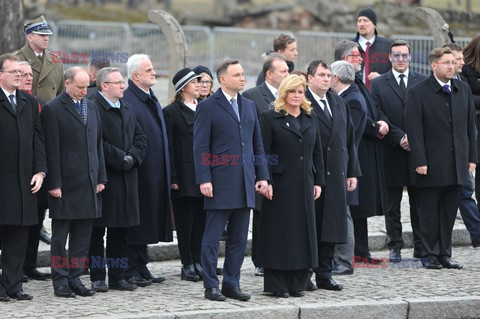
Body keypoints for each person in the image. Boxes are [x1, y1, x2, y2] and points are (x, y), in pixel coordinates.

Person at [193, 59, 269, 301]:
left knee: (238, 238)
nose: (242, 78)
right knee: (212, 238)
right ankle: (210, 285)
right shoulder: (208, 107)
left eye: (243, 74)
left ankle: (231, 283)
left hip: (245, 182)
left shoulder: (248, 105)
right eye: (236, 75)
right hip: (220, 182)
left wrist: (263, 176)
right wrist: (204, 178)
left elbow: (257, 144)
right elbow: (200, 145)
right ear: (222, 79)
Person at [406, 47, 477, 269]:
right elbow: (414, 130)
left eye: (452, 62)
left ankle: (444, 253)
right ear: (434, 65)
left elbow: (469, 128)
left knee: (448, 211)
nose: (451, 66)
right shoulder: (418, 92)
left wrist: (471, 158)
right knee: (429, 211)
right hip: (430, 164)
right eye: (446, 62)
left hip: (457, 163)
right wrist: (420, 161)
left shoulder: (462, 89)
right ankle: (428, 254)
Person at [41, 67, 106, 298]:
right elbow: (51, 149)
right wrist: (54, 184)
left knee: (82, 236)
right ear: (67, 84)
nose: (83, 91)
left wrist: (100, 178)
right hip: (65, 185)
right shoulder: (53, 109)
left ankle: (76, 277)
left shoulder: (92, 106)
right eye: (79, 87)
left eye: (86, 87)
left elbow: (97, 144)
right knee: (60, 237)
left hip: (89, 183)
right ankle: (60, 280)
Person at [258, 74, 324, 298]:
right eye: (292, 91)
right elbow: (262, 154)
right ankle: (278, 284)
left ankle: (298, 282)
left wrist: (318, 181)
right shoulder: (270, 117)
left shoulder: (310, 117)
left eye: (300, 91)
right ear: (283, 93)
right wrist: (265, 180)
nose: (296, 96)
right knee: (281, 234)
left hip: (305, 184)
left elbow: (317, 153)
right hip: (279, 186)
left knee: (301, 233)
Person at [89, 67, 146, 293]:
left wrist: (132, 157)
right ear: (104, 86)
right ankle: (96, 277)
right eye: (118, 82)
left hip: (127, 179)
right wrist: (120, 158)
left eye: (122, 82)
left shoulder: (127, 108)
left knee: (120, 232)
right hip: (106, 180)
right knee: (97, 233)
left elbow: (141, 137)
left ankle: (117, 276)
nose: (123, 86)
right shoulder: (94, 108)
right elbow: (95, 142)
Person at [305, 60, 360, 291]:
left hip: (336, 174)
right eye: (321, 75)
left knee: (330, 226)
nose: (326, 79)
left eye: (328, 75)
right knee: (310, 226)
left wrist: (352, 172)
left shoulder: (339, 103)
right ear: (310, 78)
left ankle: (324, 274)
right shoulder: (302, 102)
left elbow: (349, 140)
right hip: (312, 175)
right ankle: (305, 273)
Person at [370, 40, 427, 262]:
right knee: (392, 204)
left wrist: (412, 138)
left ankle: (421, 246)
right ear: (390, 58)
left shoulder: (421, 81)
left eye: (404, 55)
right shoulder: (379, 84)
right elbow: (378, 113)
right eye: (396, 55)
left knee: (418, 203)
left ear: (410, 57)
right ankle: (395, 245)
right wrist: (399, 137)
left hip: (417, 151)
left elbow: (426, 115)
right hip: (391, 150)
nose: (400, 59)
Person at [335, 40, 389, 263]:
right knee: (356, 203)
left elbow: (372, 109)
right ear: (346, 59)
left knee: (361, 204)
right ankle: (358, 251)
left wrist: (382, 121)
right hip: (359, 149)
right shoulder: (349, 87)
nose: (360, 59)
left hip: (367, 149)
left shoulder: (358, 83)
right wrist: (376, 127)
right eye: (356, 56)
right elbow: (358, 118)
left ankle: (362, 250)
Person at [0, 53, 46, 302]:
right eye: (14, 72)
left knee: (19, 238)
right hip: (2, 182)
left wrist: (40, 171)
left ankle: (13, 285)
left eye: (21, 72)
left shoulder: (29, 102)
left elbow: (38, 138)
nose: (19, 75)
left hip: (24, 183)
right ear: (0, 75)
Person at [122, 54, 171, 286]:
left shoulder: (150, 96)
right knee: (136, 222)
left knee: (148, 220)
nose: (154, 72)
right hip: (138, 172)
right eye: (149, 70)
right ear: (135, 76)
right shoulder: (129, 99)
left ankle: (141, 266)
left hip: (155, 170)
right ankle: (130, 268)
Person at [242, 53, 289, 277]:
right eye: (283, 71)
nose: (287, 74)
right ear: (269, 74)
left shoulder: (292, 96)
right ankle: (261, 259)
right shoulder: (252, 96)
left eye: (288, 71)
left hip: (288, 167)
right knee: (263, 214)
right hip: (263, 163)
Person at [163, 68, 205, 282]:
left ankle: (198, 261)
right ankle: (187, 263)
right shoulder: (171, 112)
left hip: (203, 175)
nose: (199, 85)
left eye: (199, 81)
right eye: (194, 82)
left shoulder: (204, 108)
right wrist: (173, 177)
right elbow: (168, 147)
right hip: (184, 176)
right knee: (185, 221)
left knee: (201, 221)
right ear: (183, 87)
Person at [329, 60, 367, 275]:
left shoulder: (351, 100)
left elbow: (344, 137)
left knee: (344, 215)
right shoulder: (347, 97)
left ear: (335, 78)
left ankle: (344, 261)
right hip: (343, 165)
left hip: (344, 165)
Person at [17, 61, 51, 281]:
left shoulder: (39, 103)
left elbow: (43, 139)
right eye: (24, 74)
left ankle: (29, 265)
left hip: (37, 174)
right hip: (15, 174)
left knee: (35, 222)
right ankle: (13, 268)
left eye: (31, 75)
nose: (29, 78)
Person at [14, 15, 64, 102]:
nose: (46, 39)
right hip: (25, 112)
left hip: (49, 113)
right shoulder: (16, 59)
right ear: (30, 38)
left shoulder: (56, 60)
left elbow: (61, 93)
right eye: (42, 35)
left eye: (47, 35)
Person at [353, 8, 393, 89]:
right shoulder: (348, 46)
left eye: (365, 20)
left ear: (374, 25)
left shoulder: (389, 46)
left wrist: (382, 78)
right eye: (359, 21)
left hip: (380, 95)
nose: (361, 24)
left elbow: (398, 72)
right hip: (355, 96)